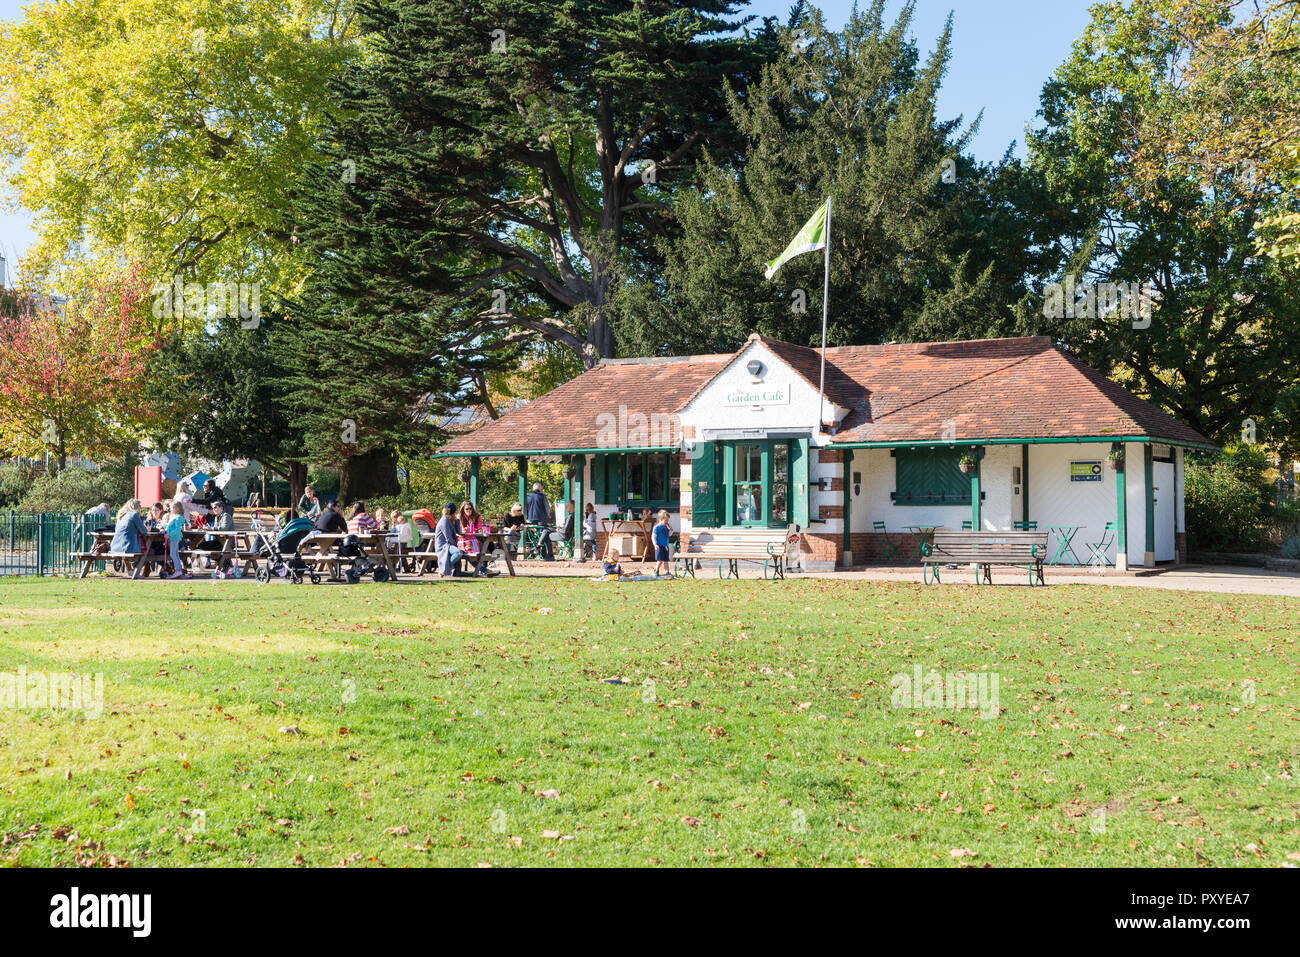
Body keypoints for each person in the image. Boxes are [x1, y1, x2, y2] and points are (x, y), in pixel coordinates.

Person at [525, 482, 553, 560]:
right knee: (542, 535)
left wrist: (527, 518)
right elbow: (547, 507)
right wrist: (548, 516)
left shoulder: (528, 497)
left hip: (531, 520)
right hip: (541, 519)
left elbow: (525, 508)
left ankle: (532, 551)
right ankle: (542, 555)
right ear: (539, 488)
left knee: (533, 537)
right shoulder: (542, 496)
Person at [434, 504, 463, 577]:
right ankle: (443, 569)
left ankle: (445, 569)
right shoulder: (444, 520)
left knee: (467, 551)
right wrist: (456, 545)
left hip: (449, 544)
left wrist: (457, 520)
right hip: (443, 545)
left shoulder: (450, 520)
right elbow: (448, 537)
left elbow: (458, 532)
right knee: (458, 552)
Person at [164, 501, 190, 579]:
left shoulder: (178, 517)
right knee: (176, 554)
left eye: (172, 507)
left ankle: (178, 570)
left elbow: (177, 529)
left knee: (173, 554)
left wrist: (169, 534)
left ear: (176, 508)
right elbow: (170, 527)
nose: (170, 509)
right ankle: (179, 571)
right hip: (172, 538)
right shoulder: (174, 517)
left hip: (175, 538)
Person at [653, 509, 672, 576]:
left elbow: (669, 535)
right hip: (659, 546)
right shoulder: (656, 527)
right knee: (660, 560)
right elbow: (653, 537)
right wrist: (655, 544)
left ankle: (667, 572)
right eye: (666, 520)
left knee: (666, 560)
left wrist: (670, 530)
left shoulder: (666, 527)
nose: (667, 522)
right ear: (661, 519)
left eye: (668, 520)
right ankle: (656, 570)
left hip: (665, 546)